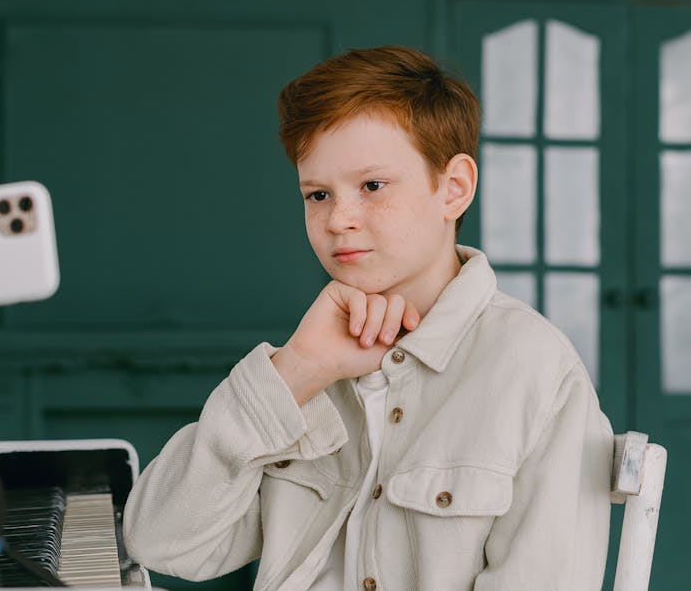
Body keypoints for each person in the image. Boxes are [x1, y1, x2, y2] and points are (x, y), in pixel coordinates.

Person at [123, 46, 613, 590]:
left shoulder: (534, 370)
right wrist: (295, 372)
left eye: (372, 186)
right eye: (317, 194)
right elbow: (163, 544)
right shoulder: (315, 354)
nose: (338, 219)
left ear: (454, 189)